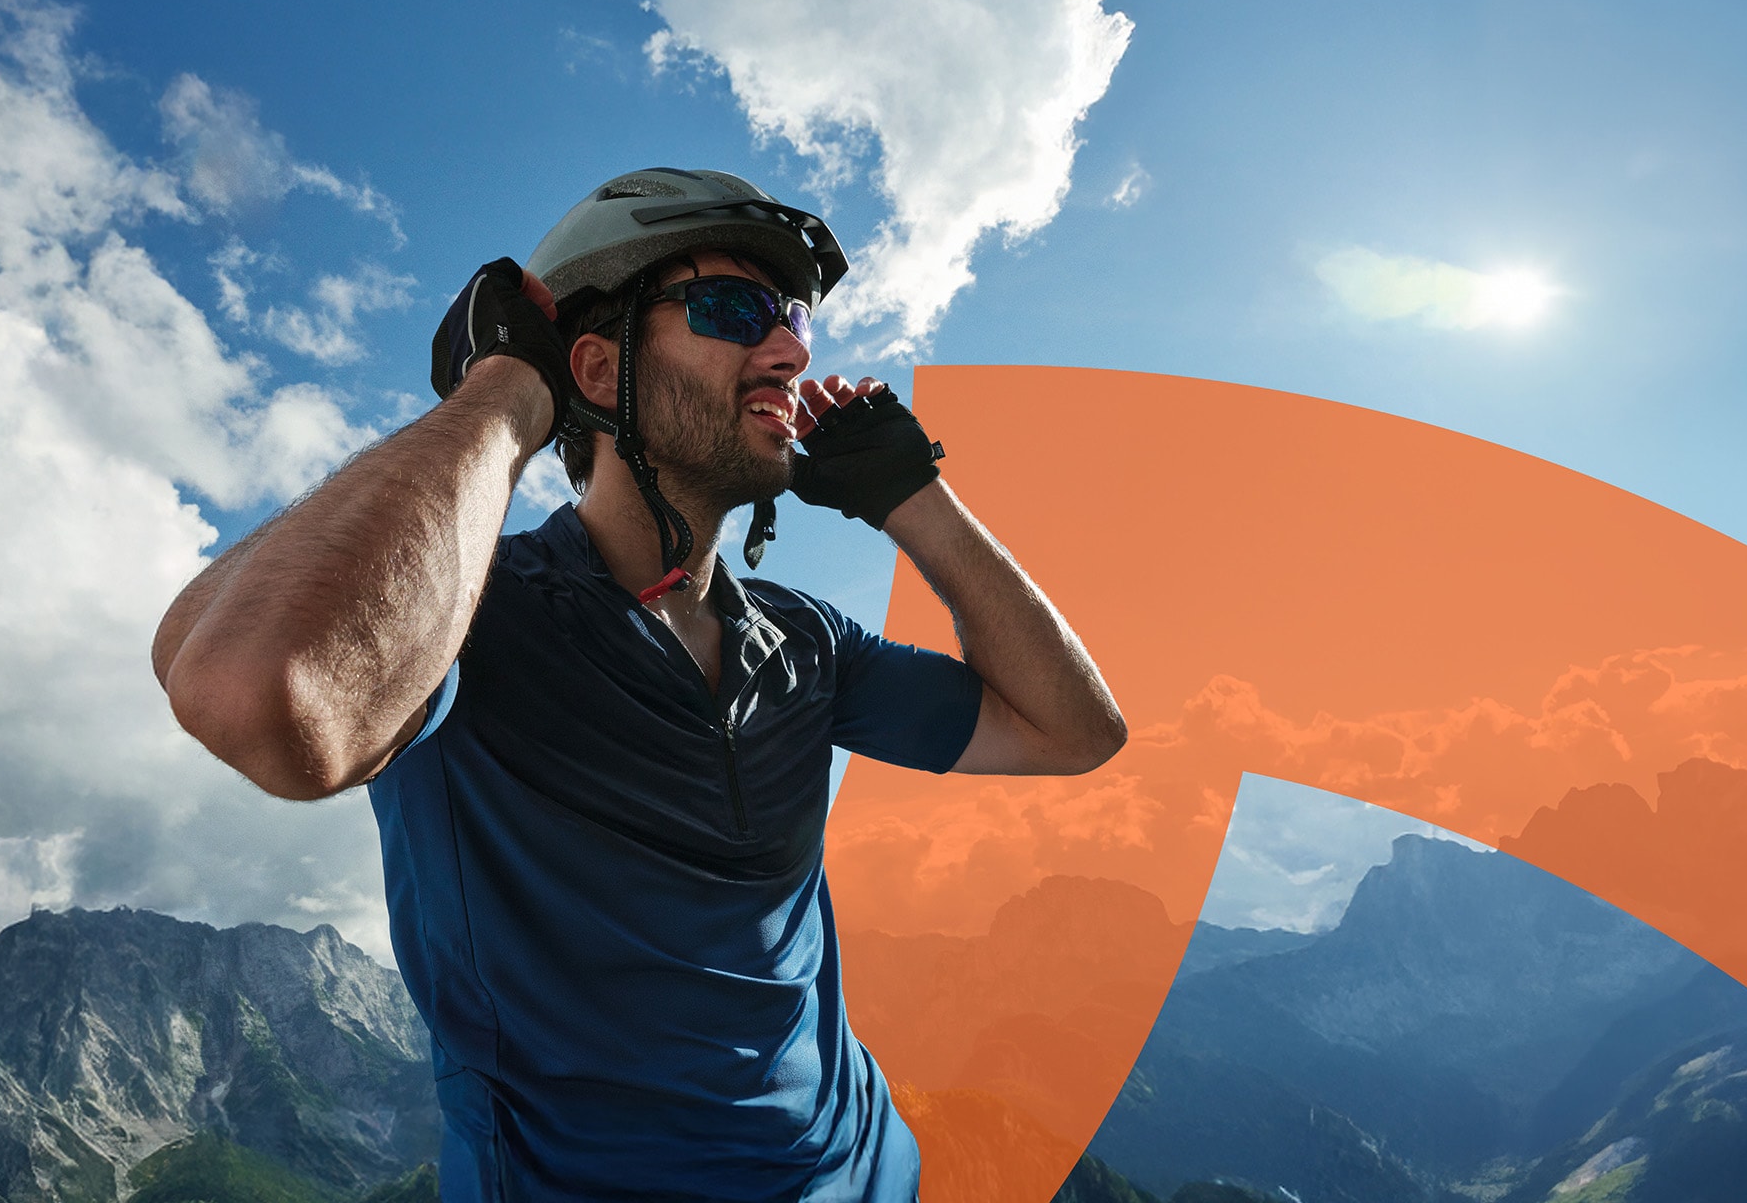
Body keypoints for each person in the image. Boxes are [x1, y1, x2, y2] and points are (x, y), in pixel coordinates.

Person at [152, 168, 1126, 1202]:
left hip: (869, 1170)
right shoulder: (466, 622)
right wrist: (507, 391)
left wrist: (911, 495)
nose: (791, 351)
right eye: (734, 311)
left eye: (793, 320)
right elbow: (249, 692)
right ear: (595, 368)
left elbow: (1072, 731)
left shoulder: (804, 641)